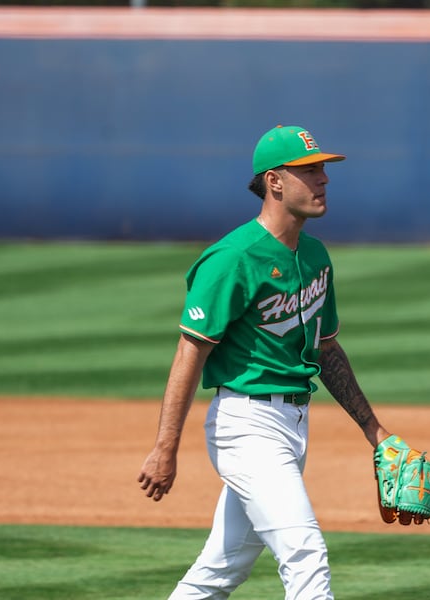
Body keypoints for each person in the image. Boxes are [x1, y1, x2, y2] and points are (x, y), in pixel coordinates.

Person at [137, 125, 397, 599]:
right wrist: (165, 447)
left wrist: (373, 431)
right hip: (246, 426)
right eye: (309, 170)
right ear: (275, 182)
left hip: (294, 426)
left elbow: (325, 351)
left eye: (322, 169)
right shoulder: (233, 258)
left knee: (220, 569)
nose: (323, 180)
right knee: (305, 553)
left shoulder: (314, 256)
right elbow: (189, 352)